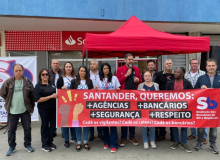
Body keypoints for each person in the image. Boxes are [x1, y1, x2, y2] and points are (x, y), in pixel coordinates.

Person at [0, 64, 35, 156]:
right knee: (11, 130)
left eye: (20, 70)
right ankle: (12, 147)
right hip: (12, 110)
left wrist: (32, 107)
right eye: (16, 70)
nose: (18, 72)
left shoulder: (27, 82)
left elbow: (32, 95)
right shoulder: (8, 82)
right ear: (13, 72)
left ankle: (27, 145)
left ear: (23, 71)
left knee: (27, 129)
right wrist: (9, 100)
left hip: (25, 110)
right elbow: (3, 93)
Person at [194, 58, 219, 154]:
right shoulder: (201, 78)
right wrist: (200, 88)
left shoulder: (219, 77)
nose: (211, 67)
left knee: (213, 127)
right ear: (206, 67)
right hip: (203, 107)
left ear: (216, 66)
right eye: (209, 66)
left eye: (213, 65)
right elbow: (195, 90)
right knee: (201, 126)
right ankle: (199, 142)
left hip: (215, 107)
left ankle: (212, 144)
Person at [116, 53, 142, 147]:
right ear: (125, 60)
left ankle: (132, 136)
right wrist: (126, 75)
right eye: (129, 59)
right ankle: (123, 137)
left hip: (134, 97)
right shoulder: (120, 70)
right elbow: (117, 82)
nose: (131, 61)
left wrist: (137, 81)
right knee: (124, 117)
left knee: (132, 116)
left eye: (132, 59)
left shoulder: (137, 69)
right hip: (123, 97)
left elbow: (140, 81)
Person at [166, 67, 193, 153]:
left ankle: (184, 143)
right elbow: (165, 94)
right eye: (175, 72)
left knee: (184, 126)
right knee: (174, 125)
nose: (176, 73)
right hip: (172, 108)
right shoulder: (170, 83)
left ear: (182, 74)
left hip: (184, 108)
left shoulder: (187, 83)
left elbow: (193, 94)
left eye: (178, 72)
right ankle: (176, 141)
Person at [96, 62, 120, 153]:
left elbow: (118, 88)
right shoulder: (99, 79)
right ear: (102, 70)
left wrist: (117, 89)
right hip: (103, 104)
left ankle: (114, 144)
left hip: (113, 104)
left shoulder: (114, 78)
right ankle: (106, 142)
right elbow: (96, 91)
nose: (106, 70)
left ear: (109, 69)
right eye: (104, 68)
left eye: (107, 68)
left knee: (113, 125)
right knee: (104, 125)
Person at [70, 66, 93, 152]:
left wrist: (94, 90)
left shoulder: (89, 81)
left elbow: (92, 93)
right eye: (81, 71)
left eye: (84, 71)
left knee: (86, 124)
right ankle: (79, 142)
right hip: (77, 106)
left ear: (86, 73)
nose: (82, 72)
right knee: (77, 124)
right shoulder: (74, 81)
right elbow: (70, 93)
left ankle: (85, 141)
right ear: (78, 72)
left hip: (87, 106)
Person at [184, 58, 208, 144]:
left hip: (201, 99)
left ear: (198, 64)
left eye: (196, 63)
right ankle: (194, 134)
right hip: (190, 99)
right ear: (190, 64)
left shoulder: (203, 74)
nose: (194, 65)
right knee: (191, 116)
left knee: (202, 117)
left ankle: (204, 136)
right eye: (193, 63)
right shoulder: (186, 74)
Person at [34, 68, 57, 152]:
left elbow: (57, 92)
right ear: (40, 76)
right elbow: (38, 99)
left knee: (53, 125)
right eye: (43, 74)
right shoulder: (38, 86)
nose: (45, 76)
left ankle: (50, 142)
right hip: (44, 109)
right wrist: (50, 96)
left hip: (53, 108)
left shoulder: (51, 84)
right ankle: (45, 144)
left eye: (46, 74)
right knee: (45, 126)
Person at [57, 62, 77, 148]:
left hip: (74, 102)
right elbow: (57, 90)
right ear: (64, 68)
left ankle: (73, 137)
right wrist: (61, 89)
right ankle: (66, 139)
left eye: (70, 66)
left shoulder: (76, 78)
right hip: (64, 102)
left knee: (73, 120)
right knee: (65, 121)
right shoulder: (61, 78)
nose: (68, 68)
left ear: (72, 68)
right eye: (67, 67)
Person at [154, 59, 174, 141]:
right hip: (161, 99)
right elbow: (155, 85)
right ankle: (162, 134)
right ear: (164, 65)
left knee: (172, 117)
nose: (168, 65)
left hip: (173, 99)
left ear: (172, 65)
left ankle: (173, 135)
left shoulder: (176, 73)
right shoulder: (159, 74)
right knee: (162, 117)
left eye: (170, 63)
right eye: (167, 64)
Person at [138, 71, 159, 150]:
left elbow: (159, 96)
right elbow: (136, 97)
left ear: (151, 76)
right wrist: (140, 92)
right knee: (144, 126)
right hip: (143, 109)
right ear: (143, 77)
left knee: (152, 125)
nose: (147, 77)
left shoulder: (156, 85)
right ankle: (145, 141)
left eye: (148, 75)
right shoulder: (140, 86)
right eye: (145, 75)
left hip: (153, 108)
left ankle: (152, 141)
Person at [89, 59, 103, 141]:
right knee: (90, 115)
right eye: (91, 64)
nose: (92, 65)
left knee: (99, 115)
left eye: (94, 64)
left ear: (97, 66)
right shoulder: (87, 74)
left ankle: (100, 132)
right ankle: (91, 133)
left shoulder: (101, 74)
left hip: (100, 97)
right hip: (90, 97)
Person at [49, 59, 63, 137]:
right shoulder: (47, 74)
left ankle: (64, 132)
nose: (55, 64)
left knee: (63, 113)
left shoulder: (63, 73)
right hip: (52, 96)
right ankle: (53, 130)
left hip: (62, 96)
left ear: (59, 64)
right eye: (54, 63)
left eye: (57, 63)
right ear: (51, 65)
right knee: (53, 115)